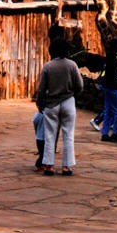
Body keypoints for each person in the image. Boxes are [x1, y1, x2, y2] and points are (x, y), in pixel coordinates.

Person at [36, 37, 83, 176]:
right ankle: (66, 167)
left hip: (51, 104)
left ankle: (49, 165)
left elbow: (41, 89)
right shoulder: (72, 65)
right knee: (68, 134)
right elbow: (80, 86)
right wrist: (73, 94)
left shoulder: (48, 66)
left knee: (50, 135)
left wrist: (40, 103)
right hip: (68, 102)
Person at [100, 39, 117, 143]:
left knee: (108, 110)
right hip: (112, 87)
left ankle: (105, 133)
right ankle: (115, 133)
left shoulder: (108, 57)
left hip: (105, 86)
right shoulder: (114, 59)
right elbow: (116, 74)